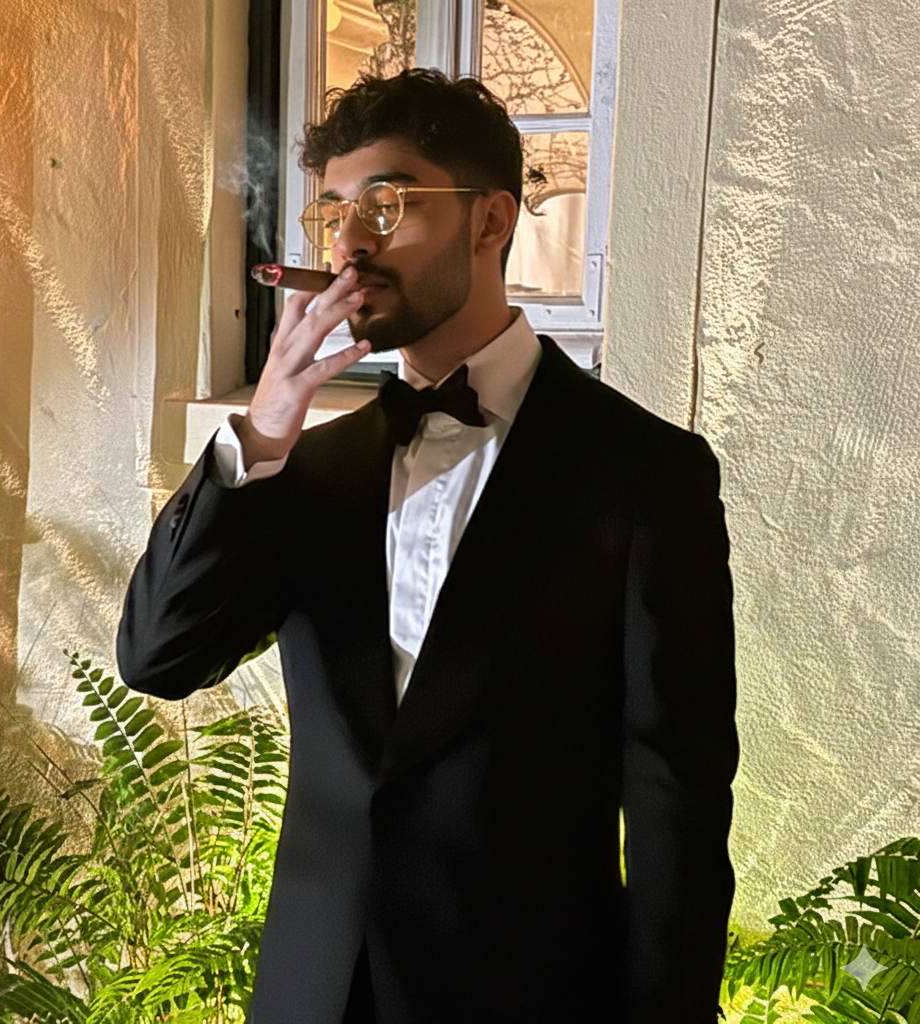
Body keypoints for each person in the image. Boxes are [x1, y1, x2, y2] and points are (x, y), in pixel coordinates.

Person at [117, 68, 739, 1024]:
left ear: (490, 221)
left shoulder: (645, 475)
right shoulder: (305, 469)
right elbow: (158, 657)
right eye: (334, 213)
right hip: (313, 995)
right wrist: (264, 430)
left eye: (386, 204)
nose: (350, 243)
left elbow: (677, 803)